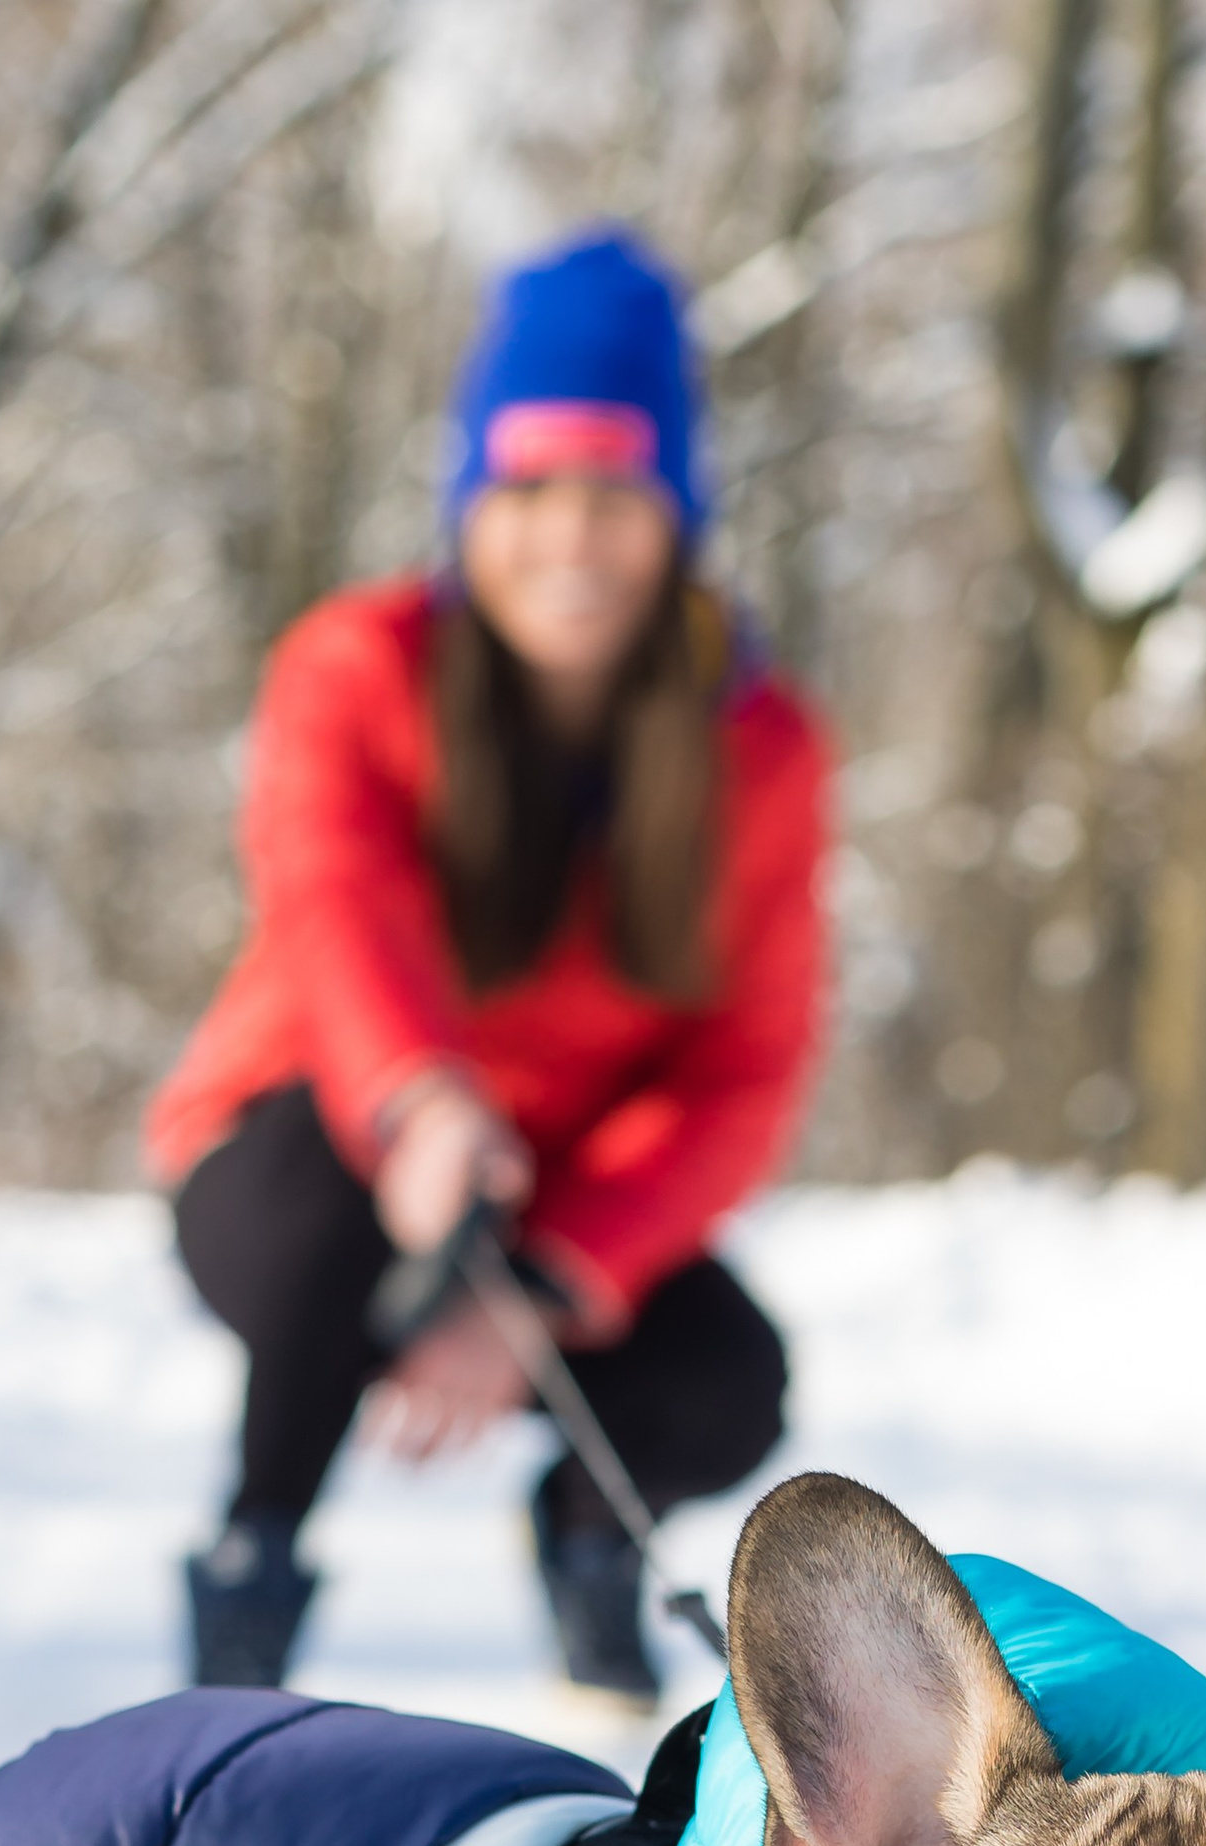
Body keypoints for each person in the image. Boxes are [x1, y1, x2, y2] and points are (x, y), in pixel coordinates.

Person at [144, 228, 829, 1702]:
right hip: (309, 1146)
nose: (568, 537)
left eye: (611, 493)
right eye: (526, 491)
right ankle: (244, 1612)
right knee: (328, 1209)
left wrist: (545, 1275)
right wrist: (420, 1098)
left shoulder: (757, 750)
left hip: (553, 1202)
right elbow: (334, 896)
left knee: (729, 1376)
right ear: (471, 503)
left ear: (674, 516)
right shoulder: (357, 667)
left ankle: (591, 1568)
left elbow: (746, 1063)